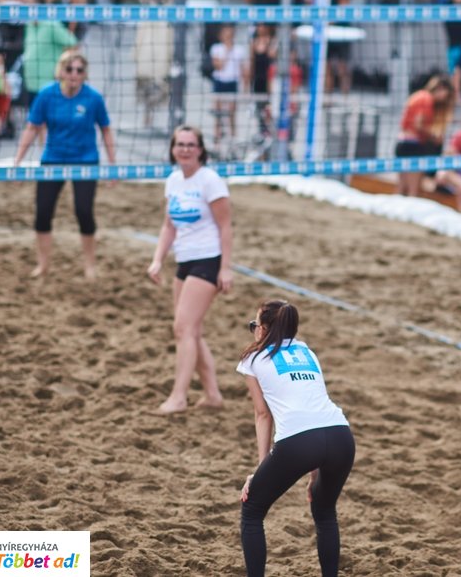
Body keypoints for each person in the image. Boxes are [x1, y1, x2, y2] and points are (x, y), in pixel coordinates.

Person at [237, 300, 355, 577]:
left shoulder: (252, 359)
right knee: (324, 511)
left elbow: (262, 415)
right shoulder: (307, 352)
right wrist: (316, 473)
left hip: (299, 442)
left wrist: (260, 471)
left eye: (254, 326)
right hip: (340, 435)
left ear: (263, 329)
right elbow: (312, 407)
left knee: (252, 510)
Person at [147, 126, 231, 414]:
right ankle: (213, 395)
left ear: (200, 149)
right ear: (172, 149)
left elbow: (226, 226)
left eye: (190, 144)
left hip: (209, 260)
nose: (185, 149)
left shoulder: (210, 181)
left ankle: (179, 397)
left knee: (183, 329)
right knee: (191, 331)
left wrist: (226, 268)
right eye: (180, 144)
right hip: (184, 260)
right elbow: (168, 225)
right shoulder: (173, 181)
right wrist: (158, 259)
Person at [13, 50, 116, 280]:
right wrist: (17, 163)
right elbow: (32, 128)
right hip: (54, 159)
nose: (74, 74)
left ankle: (90, 265)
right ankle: (43, 265)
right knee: (43, 213)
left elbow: (106, 130)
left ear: (84, 74)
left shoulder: (93, 98)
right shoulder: (47, 95)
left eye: (79, 70)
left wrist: (113, 166)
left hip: (85, 160)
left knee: (83, 211)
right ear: (61, 71)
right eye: (69, 69)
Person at [394, 74, 455, 197]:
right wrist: (434, 136)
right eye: (446, 94)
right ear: (440, 88)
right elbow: (418, 124)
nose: (445, 98)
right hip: (413, 146)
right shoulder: (427, 98)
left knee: (401, 188)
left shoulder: (418, 95)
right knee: (413, 190)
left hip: (402, 143)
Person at [21, 17, 78, 108]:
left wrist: (62, 67)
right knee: (34, 118)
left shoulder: (52, 25)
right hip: (31, 83)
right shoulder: (29, 25)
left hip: (49, 82)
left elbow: (73, 44)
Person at [210, 25, 249, 152]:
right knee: (218, 115)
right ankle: (217, 145)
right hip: (219, 82)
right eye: (226, 33)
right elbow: (219, 66)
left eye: (230, 33)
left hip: (233, 83)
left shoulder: (239, 50)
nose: (228, 35)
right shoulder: (216, 48)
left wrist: (245, 89)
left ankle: (233, 143)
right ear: (221, 35)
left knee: (232, 115)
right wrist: (227, 51)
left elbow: (243, 70)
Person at [326, 0, 354, 95]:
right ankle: (326, 100)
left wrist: (325, 21)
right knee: (326, 66)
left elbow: (343, 9)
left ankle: (345, 98)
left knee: (342, 67)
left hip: (342, 31)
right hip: (327, 31)